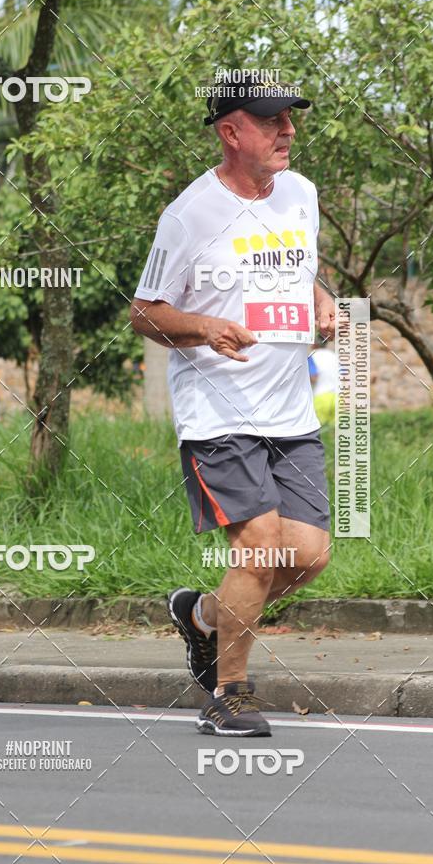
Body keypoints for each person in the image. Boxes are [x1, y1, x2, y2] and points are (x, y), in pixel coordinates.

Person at [130, 78, 335, 737]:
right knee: (259, 548)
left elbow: (300, 269)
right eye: (273, 120)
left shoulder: (301, 194)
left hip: (291, 413)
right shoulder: (190, 214)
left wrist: (323, 300)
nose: (288, 132)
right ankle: (230, 693)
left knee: (306, 555)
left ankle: (203, 617)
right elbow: (145, 313)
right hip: (219, 413)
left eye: (290, 120)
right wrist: (204, 328)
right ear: (231, 131)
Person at [309, 338, 337, 425]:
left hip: (320, 396)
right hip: (338, 397)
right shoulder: (334, 356)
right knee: (335, 433)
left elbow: (314, 378)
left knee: (321, 432)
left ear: (313, 345)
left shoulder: (312, 356)